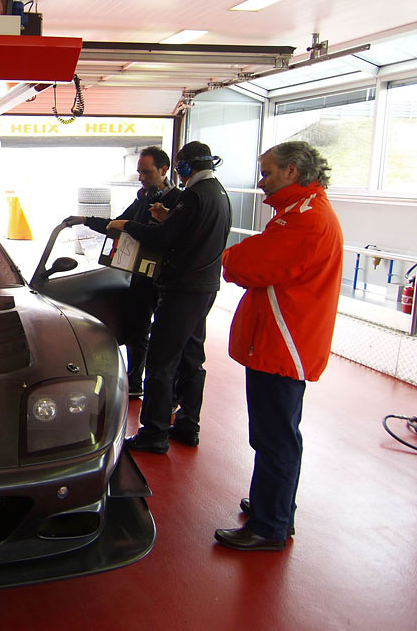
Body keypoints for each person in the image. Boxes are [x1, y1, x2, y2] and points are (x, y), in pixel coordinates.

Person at [214, 142, 342, 551]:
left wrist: (230, 256)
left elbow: (250, 264)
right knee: (276, 435)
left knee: (275, 439)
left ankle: (269, 526)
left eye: (267, 173)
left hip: (284, 345)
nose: (261, 181)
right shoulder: (300, 212)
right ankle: (276, 510)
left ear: (291, 171)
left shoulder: (306, 219)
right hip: (280, 342)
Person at [108, 141, 231, 453]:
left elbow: (163, 239)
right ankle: (188, 424)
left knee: (161, 361)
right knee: (192, 358)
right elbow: (189, 233)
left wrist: (129, 225)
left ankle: (154, 432)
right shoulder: (219, 193)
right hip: (204, 287)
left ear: (184, 167)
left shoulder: (193, 195)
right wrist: (169, 219)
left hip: (181, 289)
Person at [66, 146, 182, 398]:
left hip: (166, 282)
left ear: (164, 170)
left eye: (147, 172)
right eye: (139, 172)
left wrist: (132, 225)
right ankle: (135, 382)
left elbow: (167, 238)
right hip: (140, 277)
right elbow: (116, 224)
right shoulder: (143, 200)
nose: (141, 177)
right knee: (136, 330)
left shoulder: (177, 202)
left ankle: (168, 393)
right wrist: (85, 220)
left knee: (166, 339)